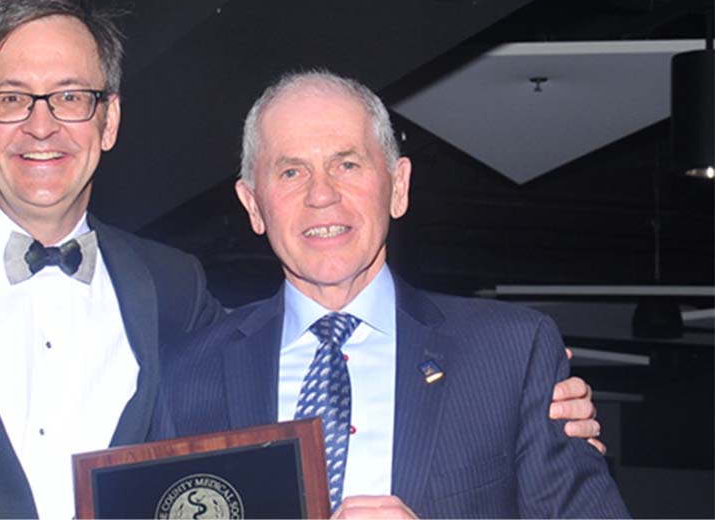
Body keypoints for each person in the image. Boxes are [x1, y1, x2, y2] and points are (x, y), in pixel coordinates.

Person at [0, 0, 604, 519]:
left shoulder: (175, 296)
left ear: (110, 119)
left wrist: (542, 402)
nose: (43, 125)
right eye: (13, 98)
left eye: (73, 97)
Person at [152, 69, 628, 518]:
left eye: (348, 164)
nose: (322, 194)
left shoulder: (510, 354)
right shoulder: (187, 376)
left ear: (398, 186)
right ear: (254, 205)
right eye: (292, 172)